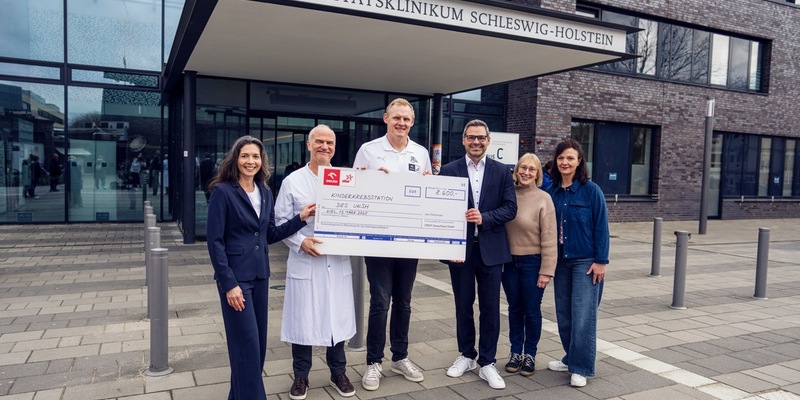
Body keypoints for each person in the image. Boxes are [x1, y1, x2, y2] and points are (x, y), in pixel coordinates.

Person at [206, 135, 315, 400]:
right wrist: (229, 284)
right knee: (247, 346)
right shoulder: (223, 191)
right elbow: (215, 242)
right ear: (235, 159)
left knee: (257, 349)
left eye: (255, 156)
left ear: (262, 161)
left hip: (260, 276)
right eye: (245, 156)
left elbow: (269, 234)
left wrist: (300, 218)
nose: (250, 161)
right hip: (236, 280)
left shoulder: (265, 192)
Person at [353, 98, 430, 391]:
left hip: (409, 240)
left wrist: (429, 183)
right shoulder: (368, 150)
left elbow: (426, 195)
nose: (401, 123)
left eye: (406, 119)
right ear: (386, 118)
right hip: (378, 240)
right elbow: (355, 189)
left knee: (404, 302)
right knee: (380, 301)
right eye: (396, 118)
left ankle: (400, 357)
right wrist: (369, 178)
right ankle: (374, 362)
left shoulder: (420, 153)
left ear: (412, 123)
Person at [276, 125, 356, 400]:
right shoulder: (293, 181)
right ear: (309, 145)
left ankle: (338, 372)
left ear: (334, 147)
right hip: (306, 260)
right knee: (303, 320)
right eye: (319, 141)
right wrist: (300, 242)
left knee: (337, 318)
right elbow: (279, 222)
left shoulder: (347, 179)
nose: (325, 146)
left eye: (329, 142)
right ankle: (300, 376)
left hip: (336, 261)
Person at [439, 119, 517, 390]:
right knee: (463, 305)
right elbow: (439, 210)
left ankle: (487, 361)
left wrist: (485, 217)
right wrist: (447, 246)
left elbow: (510, 208)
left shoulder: (502, 171)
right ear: (463, 140)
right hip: (460, 251)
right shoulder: (448, 170)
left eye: (481, 138)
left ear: (488, 141)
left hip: (491, 251)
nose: (476, 142)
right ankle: (466, 355)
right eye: (471, 137)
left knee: (490, 308)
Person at [545, 139, 609, 388]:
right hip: (560, 261)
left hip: (585, 262)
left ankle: (581, 367)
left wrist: (601, 261)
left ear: (579, 161)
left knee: (583, 315)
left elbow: (601, 227)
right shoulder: (552, 192)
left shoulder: (591, 191)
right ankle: (570, 357)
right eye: (561, 158)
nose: (565, 162)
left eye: (570, 158)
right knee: (564, 315)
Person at [501, 153, 557, 377]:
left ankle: (530, 354)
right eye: (522, 167)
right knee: (514, 308)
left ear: (537, 174)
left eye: (531, 169)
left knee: (531, 310)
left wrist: (546, 270)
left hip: (533, 262)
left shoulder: (544, 199)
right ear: (516, 170)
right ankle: (515, 352)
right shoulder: (507, 195)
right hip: (509, 262)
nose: (526, 172)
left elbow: (550, 237)